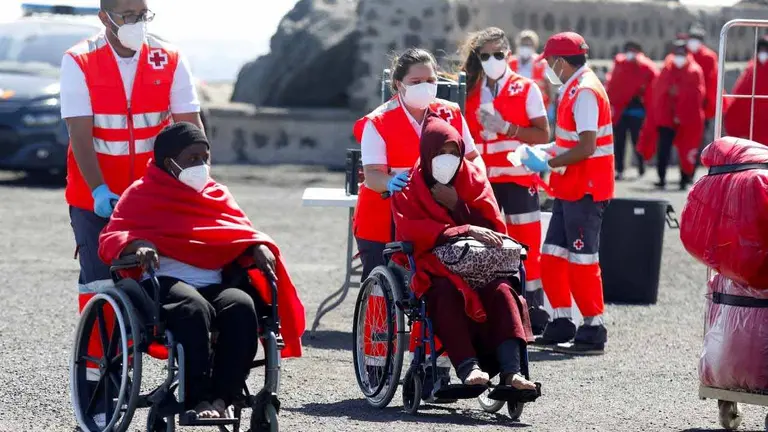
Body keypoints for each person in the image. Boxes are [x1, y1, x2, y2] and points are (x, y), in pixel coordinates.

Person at [98, 122, 305, 419]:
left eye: (204, 158)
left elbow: (241, 231)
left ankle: (224, 397)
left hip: (213, 280)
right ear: (169, 162)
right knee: (192, 308)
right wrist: (138, 244)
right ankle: (197, 399)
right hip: (165, 280)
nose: (201, 165)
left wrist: (257, 246)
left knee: (241, 306)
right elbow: (111, 237)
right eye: (192, 158)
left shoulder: (217, 193)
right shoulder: (141, 194)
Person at [61, 0, 203, 425]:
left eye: (143, 14)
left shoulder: (170, 57)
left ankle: (175, 359)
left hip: (154, 195)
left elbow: (189, 127)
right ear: (104, 18)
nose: (137, 23)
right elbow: (80, 133)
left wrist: (197, 181)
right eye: (128, 16)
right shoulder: (79, 60)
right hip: (95, 197)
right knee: (100, 283)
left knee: (168, 275)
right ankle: (99, 387)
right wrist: (100, 189)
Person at [391, 111, 536, 389]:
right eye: (441, 151)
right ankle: (468, 368)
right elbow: (412, 232)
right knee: (445, 292)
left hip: (480, 265)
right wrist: (463, 229)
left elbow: (494, 227)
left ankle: (512, 372)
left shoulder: (473, 179)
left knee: (504, 290)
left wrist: (459, 205)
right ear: (427, 151)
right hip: (434, 265)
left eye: (453, 151)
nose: (448, 158)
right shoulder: (409, 186)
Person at [352, 47, 485, 280]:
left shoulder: (451, 113)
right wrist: (391, 182)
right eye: (416, 81)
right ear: (399, 83)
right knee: (383, 292)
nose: (425, 86)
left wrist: (471, 189)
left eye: (430, 80)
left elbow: (473, 159)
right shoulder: (379, 121)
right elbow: (372, 174)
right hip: (384, 217)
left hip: (435, 215)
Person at [519, 32, 614, 355]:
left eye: (549, 62)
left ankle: (593, 327)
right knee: (553, 258)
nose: (548, 67)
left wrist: (547, 162)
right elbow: (571, 142)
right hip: (571, 188)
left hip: (585, 190)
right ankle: (562, 322)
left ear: (560, 62)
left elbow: (587, 147)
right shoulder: (577, 87)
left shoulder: (585, 91)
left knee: (582, 261)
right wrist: (542, 151)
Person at [459, 27, 551, 335]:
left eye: (498, 54)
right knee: (486, 247)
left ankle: (533, 309)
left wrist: (507, 128)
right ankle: (490, 312)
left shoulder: (527, 88)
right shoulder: (469, 89)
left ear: (508, 55)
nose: (492, 60)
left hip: (518, 180)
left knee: (526, 245)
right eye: (485, 55)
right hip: (482, 183)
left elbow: (543, 134)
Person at [639, 40, 705, 190]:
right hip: (667, 117)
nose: (679, 57)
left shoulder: (694, 71)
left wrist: (678, 94)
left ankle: (685, 178)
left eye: (682, 53)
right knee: (664, 148)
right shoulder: (667, 69)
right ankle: (661, 177)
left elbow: (696, 95)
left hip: (687, 118)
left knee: (686, 148)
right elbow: (659, 90)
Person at [605, 41, 659, 180]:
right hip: (621, 111)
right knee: (619, 142)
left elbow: (653, 87)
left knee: (638, 140)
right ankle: (619, 168)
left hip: (637, 110)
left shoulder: (646, 67)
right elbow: (612, 86)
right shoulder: (620, 65)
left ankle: (641, 166)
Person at [724, 36, 768, 145]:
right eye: (761, 50)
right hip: (754, 125)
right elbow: (740, 96)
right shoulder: (751, 69)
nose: (763, 53)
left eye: (766, 50)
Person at [508, 29, 552, 110]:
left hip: (536, 106)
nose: (525, 47)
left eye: (528, 45)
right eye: (523, 44)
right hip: (514, 106)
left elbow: (548, 87)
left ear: (534, 46)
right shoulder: (510, 62)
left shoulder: (542, 63)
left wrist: (548, 106)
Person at [686, 24, 718, 130]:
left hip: (704, 102)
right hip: (686, 100)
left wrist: (707, 99)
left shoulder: (709, 57)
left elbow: (712, 80)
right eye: (692, 38)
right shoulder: (684, 54)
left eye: (696, 39)